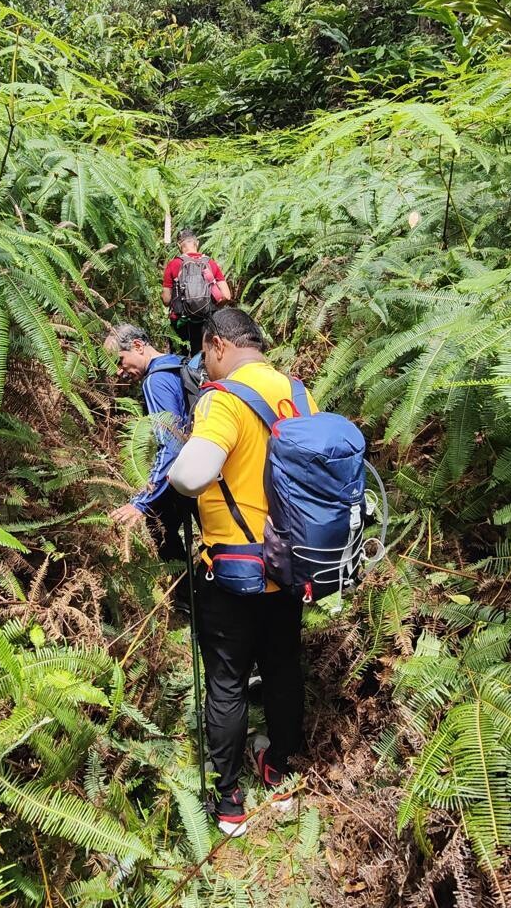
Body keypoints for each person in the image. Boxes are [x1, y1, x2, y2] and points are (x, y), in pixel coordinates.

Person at [168, 308, 318, 836]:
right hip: (290, 564)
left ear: (217, 345)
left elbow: (191, 476)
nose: (204, 365)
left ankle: (229, 801)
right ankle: (279, 766)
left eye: (204, 355)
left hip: (232, 568)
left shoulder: (224, 398)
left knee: (227, 681)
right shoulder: (298, 393)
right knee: (281, 667)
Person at [105, 324, 192, 583]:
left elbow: (172, 443)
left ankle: (185, 595)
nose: (119, 372)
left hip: (186, 476)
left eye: (120, 361)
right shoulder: (179, 364)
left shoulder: (155, 381)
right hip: (210, 470)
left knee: (159, 529)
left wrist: (141, 502)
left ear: (138, 346)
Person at [162, 229, 231, 355]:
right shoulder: (210, 263)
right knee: (201, 357)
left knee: (179, 358)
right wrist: (210, 308)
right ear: (197, 243)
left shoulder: (173, 264)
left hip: (180, 321)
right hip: (204, 320)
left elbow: (166, 300)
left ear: (179, 245)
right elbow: (226, 296)